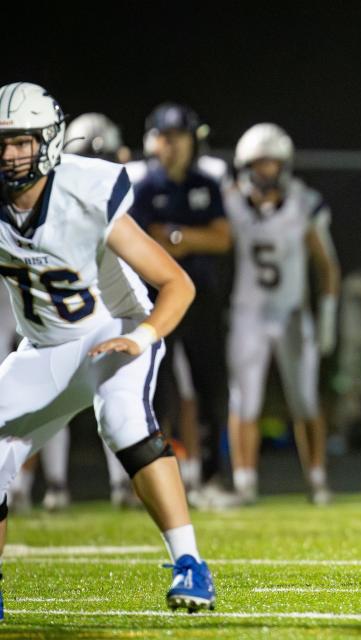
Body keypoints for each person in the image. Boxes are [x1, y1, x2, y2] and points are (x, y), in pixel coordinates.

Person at [0, 82, 215, 613]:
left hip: (112, 325)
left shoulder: (87, 189)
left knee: (122, 421)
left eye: (21, 142)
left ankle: (191, 565)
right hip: (44, 346)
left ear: (48, 142)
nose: (9, 155)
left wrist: (141, 337)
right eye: (1, 142)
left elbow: (177, 284)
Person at [8, 113, 140, 512]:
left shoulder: (111, 193)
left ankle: (117, 484)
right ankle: (40, 485)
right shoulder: (32, 199)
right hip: (44, 316)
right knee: (31, 406)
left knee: (114, 404)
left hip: (99, 316)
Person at [225, 123, 339, 506]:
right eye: (259, 165)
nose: (266, 172)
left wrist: (326, 317)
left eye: (273, 164)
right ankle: (244, 481)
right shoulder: (229, 203)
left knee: (306, 401)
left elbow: (328, 266)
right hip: (248, 313)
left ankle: (318, 478)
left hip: (292, 313)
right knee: (245, 401)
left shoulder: (304, 203)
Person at [130, 103, 232, 499]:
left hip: (201, 297)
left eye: (179, 137)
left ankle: (211, 477)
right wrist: (191, 237)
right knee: (156, 392)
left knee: (211, 388)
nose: (172, 145)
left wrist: (175, 237)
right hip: (158, 299)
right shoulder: (143, 186)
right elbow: (139, 243)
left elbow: (222, 239)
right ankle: (158, 482)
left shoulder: (206, 183)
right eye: (165, 136)